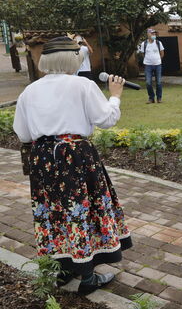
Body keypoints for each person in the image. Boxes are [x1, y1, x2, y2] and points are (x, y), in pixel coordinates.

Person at [12, 36, 131, 294]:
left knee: (53, 210)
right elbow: (106, 120)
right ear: (72, 58)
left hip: (43, 158)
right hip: (75, 156)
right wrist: (115, 96)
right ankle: (87, 277)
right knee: (80, 209)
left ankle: (65, 269)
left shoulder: (30, 91)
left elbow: (22, 134)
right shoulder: (82, 85)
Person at [138, 29, 164, 103]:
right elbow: (142, 53)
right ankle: (151, 98)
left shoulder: (159, 43)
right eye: (152, 34)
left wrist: (158, 60)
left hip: (158, 65)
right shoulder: (144, 44)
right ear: (148, 34)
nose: (153, 35)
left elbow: (162, 53)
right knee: (148, 82)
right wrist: (147, 60)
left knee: (158, 82)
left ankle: (159, 98)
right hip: (148, 65)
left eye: (154, 34)